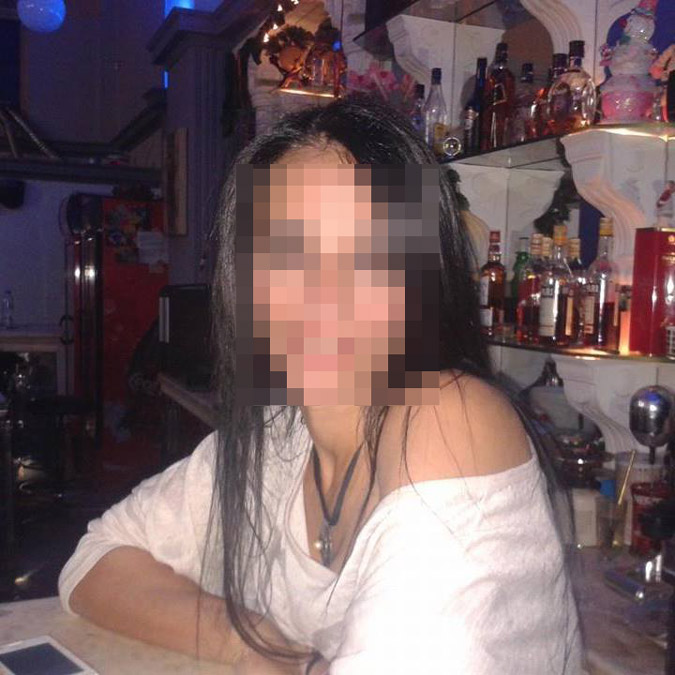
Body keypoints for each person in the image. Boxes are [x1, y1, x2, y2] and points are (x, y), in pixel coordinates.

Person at [58, 95, 582, 674]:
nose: (319, 289)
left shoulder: (449, 416)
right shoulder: (276, 441)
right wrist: (252, 641)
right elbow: (94, 562)